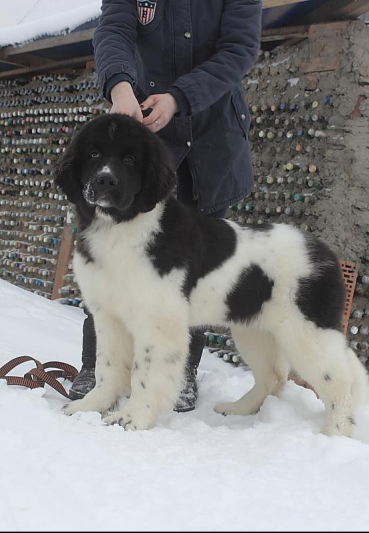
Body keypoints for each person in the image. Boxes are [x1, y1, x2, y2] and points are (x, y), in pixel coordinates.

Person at [69, 0, 262, 411]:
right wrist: (120, 86)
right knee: (109, 253)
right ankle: (98, 369)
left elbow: (239, 49)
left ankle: (180, 371)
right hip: (138, 143)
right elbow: (115, 29)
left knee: (191, 270)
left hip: (213, 141)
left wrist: (179, 97)